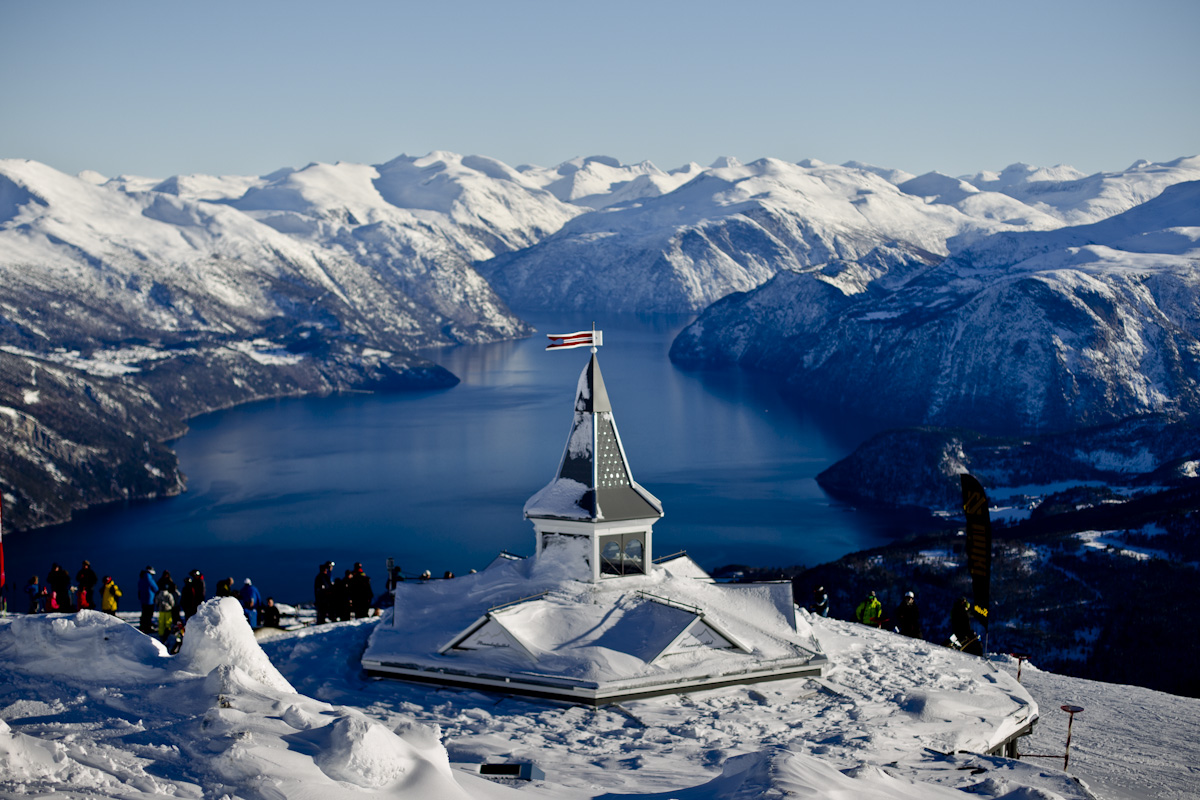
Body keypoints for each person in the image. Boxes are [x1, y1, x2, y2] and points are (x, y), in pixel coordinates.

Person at [137, 566, 158, 633]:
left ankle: (142, 626)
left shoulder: (141, 578)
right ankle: (148, 627)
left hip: (143, 599)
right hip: (150, 600)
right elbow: (155, 588)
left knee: (144, 613)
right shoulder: (149, 579)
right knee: (149, 614)